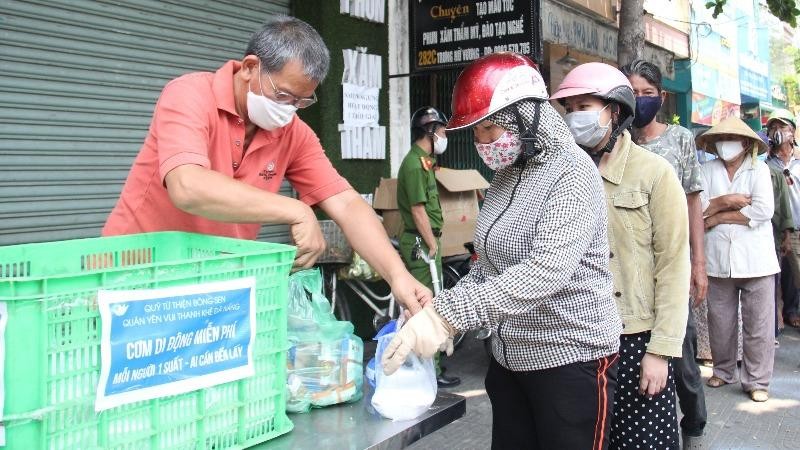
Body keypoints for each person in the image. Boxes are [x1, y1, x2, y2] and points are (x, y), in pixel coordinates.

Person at [102, 16, 431, 313]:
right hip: (135, 275)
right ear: (249, 67)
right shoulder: (188, 95)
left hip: (213, 287)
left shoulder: (292, 133)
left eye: (302, 101)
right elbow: (187, 186)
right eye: (283, 96)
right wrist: (296, 210)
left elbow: (346, 203)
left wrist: (398, 276)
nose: (290, 110)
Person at [383, 52, 622, 450]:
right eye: (476, 133)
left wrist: (449, 316)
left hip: (570, 363)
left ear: (525, 116)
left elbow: (546, 269)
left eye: (489, 129)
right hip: (510, 361)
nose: (481, 143)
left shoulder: (572, 171)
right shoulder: (505, 177)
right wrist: (441, 307)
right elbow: (487, 266)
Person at [551, 62, 690, 450]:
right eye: (571, 108)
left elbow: (674, 266)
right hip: (577, 343)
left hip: (634, 341)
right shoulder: (563, 175)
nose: (576, 116)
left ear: (614, 111)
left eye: (585, 105)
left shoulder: (655, 174)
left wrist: (661, 352)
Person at [621, 59, 708, 449]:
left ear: (662, 97)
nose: (639, 101)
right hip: (628, 278)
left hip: (672, 269)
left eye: (647, 93)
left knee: (683, 358)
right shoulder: (613, 141)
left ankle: (694, 430)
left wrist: (699, 264)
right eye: (632, 92)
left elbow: (693, 204)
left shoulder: (679, 141)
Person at [697, 117, 779, 402]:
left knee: (759, 325)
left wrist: (717, 215)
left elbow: (763, 210)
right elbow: (699, 209)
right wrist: (728, 200)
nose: (725, 144)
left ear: (745, 143)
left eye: (732, 138)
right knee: (720, 321)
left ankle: (757, 381)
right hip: (718, 259)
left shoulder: (759, 170)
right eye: (721, 138)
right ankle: (723, 370)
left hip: (756, 260)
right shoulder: (706, 170)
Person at [396, 106, 460, 388]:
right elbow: (418, 210)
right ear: (432, 131)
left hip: (428, 240)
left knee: (433, 300)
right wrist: (432, 244)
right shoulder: (413, 164)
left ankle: (430, 365)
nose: (445, 136)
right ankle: (429, 370)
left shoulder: (424, 161)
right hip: (422, 243)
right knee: (425, 307)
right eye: (443, 130)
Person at [764, 109, 800, 329]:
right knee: (776, 273)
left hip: (798, 224)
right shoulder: (765, 162)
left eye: (783, 127)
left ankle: (793, 310)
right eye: (773, 127)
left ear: (793, 131)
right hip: (774, 229)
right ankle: (779, 316)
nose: (778, 132)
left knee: (795, 275)